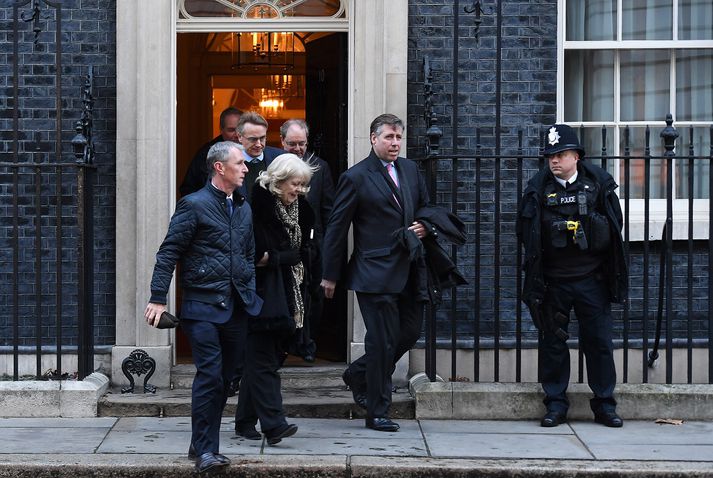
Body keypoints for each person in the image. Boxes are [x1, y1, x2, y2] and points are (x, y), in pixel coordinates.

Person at [144, 141, 260, 473]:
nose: (246, 168)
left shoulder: (243, 207)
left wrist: (248, 286)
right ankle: (207, 451)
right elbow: (168, 253)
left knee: (225, 379)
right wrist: (157, 298)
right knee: (209, 375)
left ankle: (200, 440)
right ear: (219, 167)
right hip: (202, 307)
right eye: (240, 162)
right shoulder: (192, 205)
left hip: (236, 306)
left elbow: (248, 254)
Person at [320, 114, 430, 432]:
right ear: (373, 139)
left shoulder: (410, 169)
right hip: (373, 271)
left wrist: (425, 225)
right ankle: (378, 410)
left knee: (408, 333)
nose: (395, 143)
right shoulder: (356, 177)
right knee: (381, 342)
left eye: (398, 138)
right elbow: (337, 229)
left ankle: (359, 373)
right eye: (389, 138)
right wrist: (330, 274)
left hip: (410, 268)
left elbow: (424, 205)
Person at [516, 123, 627, 429]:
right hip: (553, 281)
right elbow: (524, 233)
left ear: (576, 156)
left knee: (599, 343)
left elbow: (615, 229)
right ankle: (555, 404)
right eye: (550, 155)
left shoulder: (598, 186)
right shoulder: (538, 189)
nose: (554, 160)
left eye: (561, 154)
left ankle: (605, 405)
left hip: (592, 280)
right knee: (553, 345)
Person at [234, 153, 317, 445]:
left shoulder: (303, 210)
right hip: (262, 296)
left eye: (303, 185)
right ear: (278, 181)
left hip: (291, 293)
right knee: (263, 361)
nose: (299, 191)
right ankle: (274, 424)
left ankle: (244, 422)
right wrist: (284, 257)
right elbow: (253, 255)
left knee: (264, 360)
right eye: (295, 184)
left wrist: (280, 258)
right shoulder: (256, 208)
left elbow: (308, 248)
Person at [280, 119, 335, 362]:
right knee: (284, 295)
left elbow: (328, 210)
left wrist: (326, 246)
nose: (298, 148)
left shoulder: (320, 167)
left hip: (313, 245)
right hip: (282, 245)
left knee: (313, 297)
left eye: (302, 143)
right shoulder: (274, 166)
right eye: (292, 143)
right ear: (282, 142)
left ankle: (307, 344)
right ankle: (284, 344)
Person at [179, 107, 242, 196]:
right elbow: (188, 188)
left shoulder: (253, 151)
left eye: (240, 130)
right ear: (221, 130)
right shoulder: (207, 154)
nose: (237, 134)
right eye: (231, 130)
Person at [236, 111, 285, 200]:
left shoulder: (280, 158)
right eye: (253, 139)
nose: (258, 144)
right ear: (240, 137)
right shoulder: (228, 162)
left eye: (262, 138)